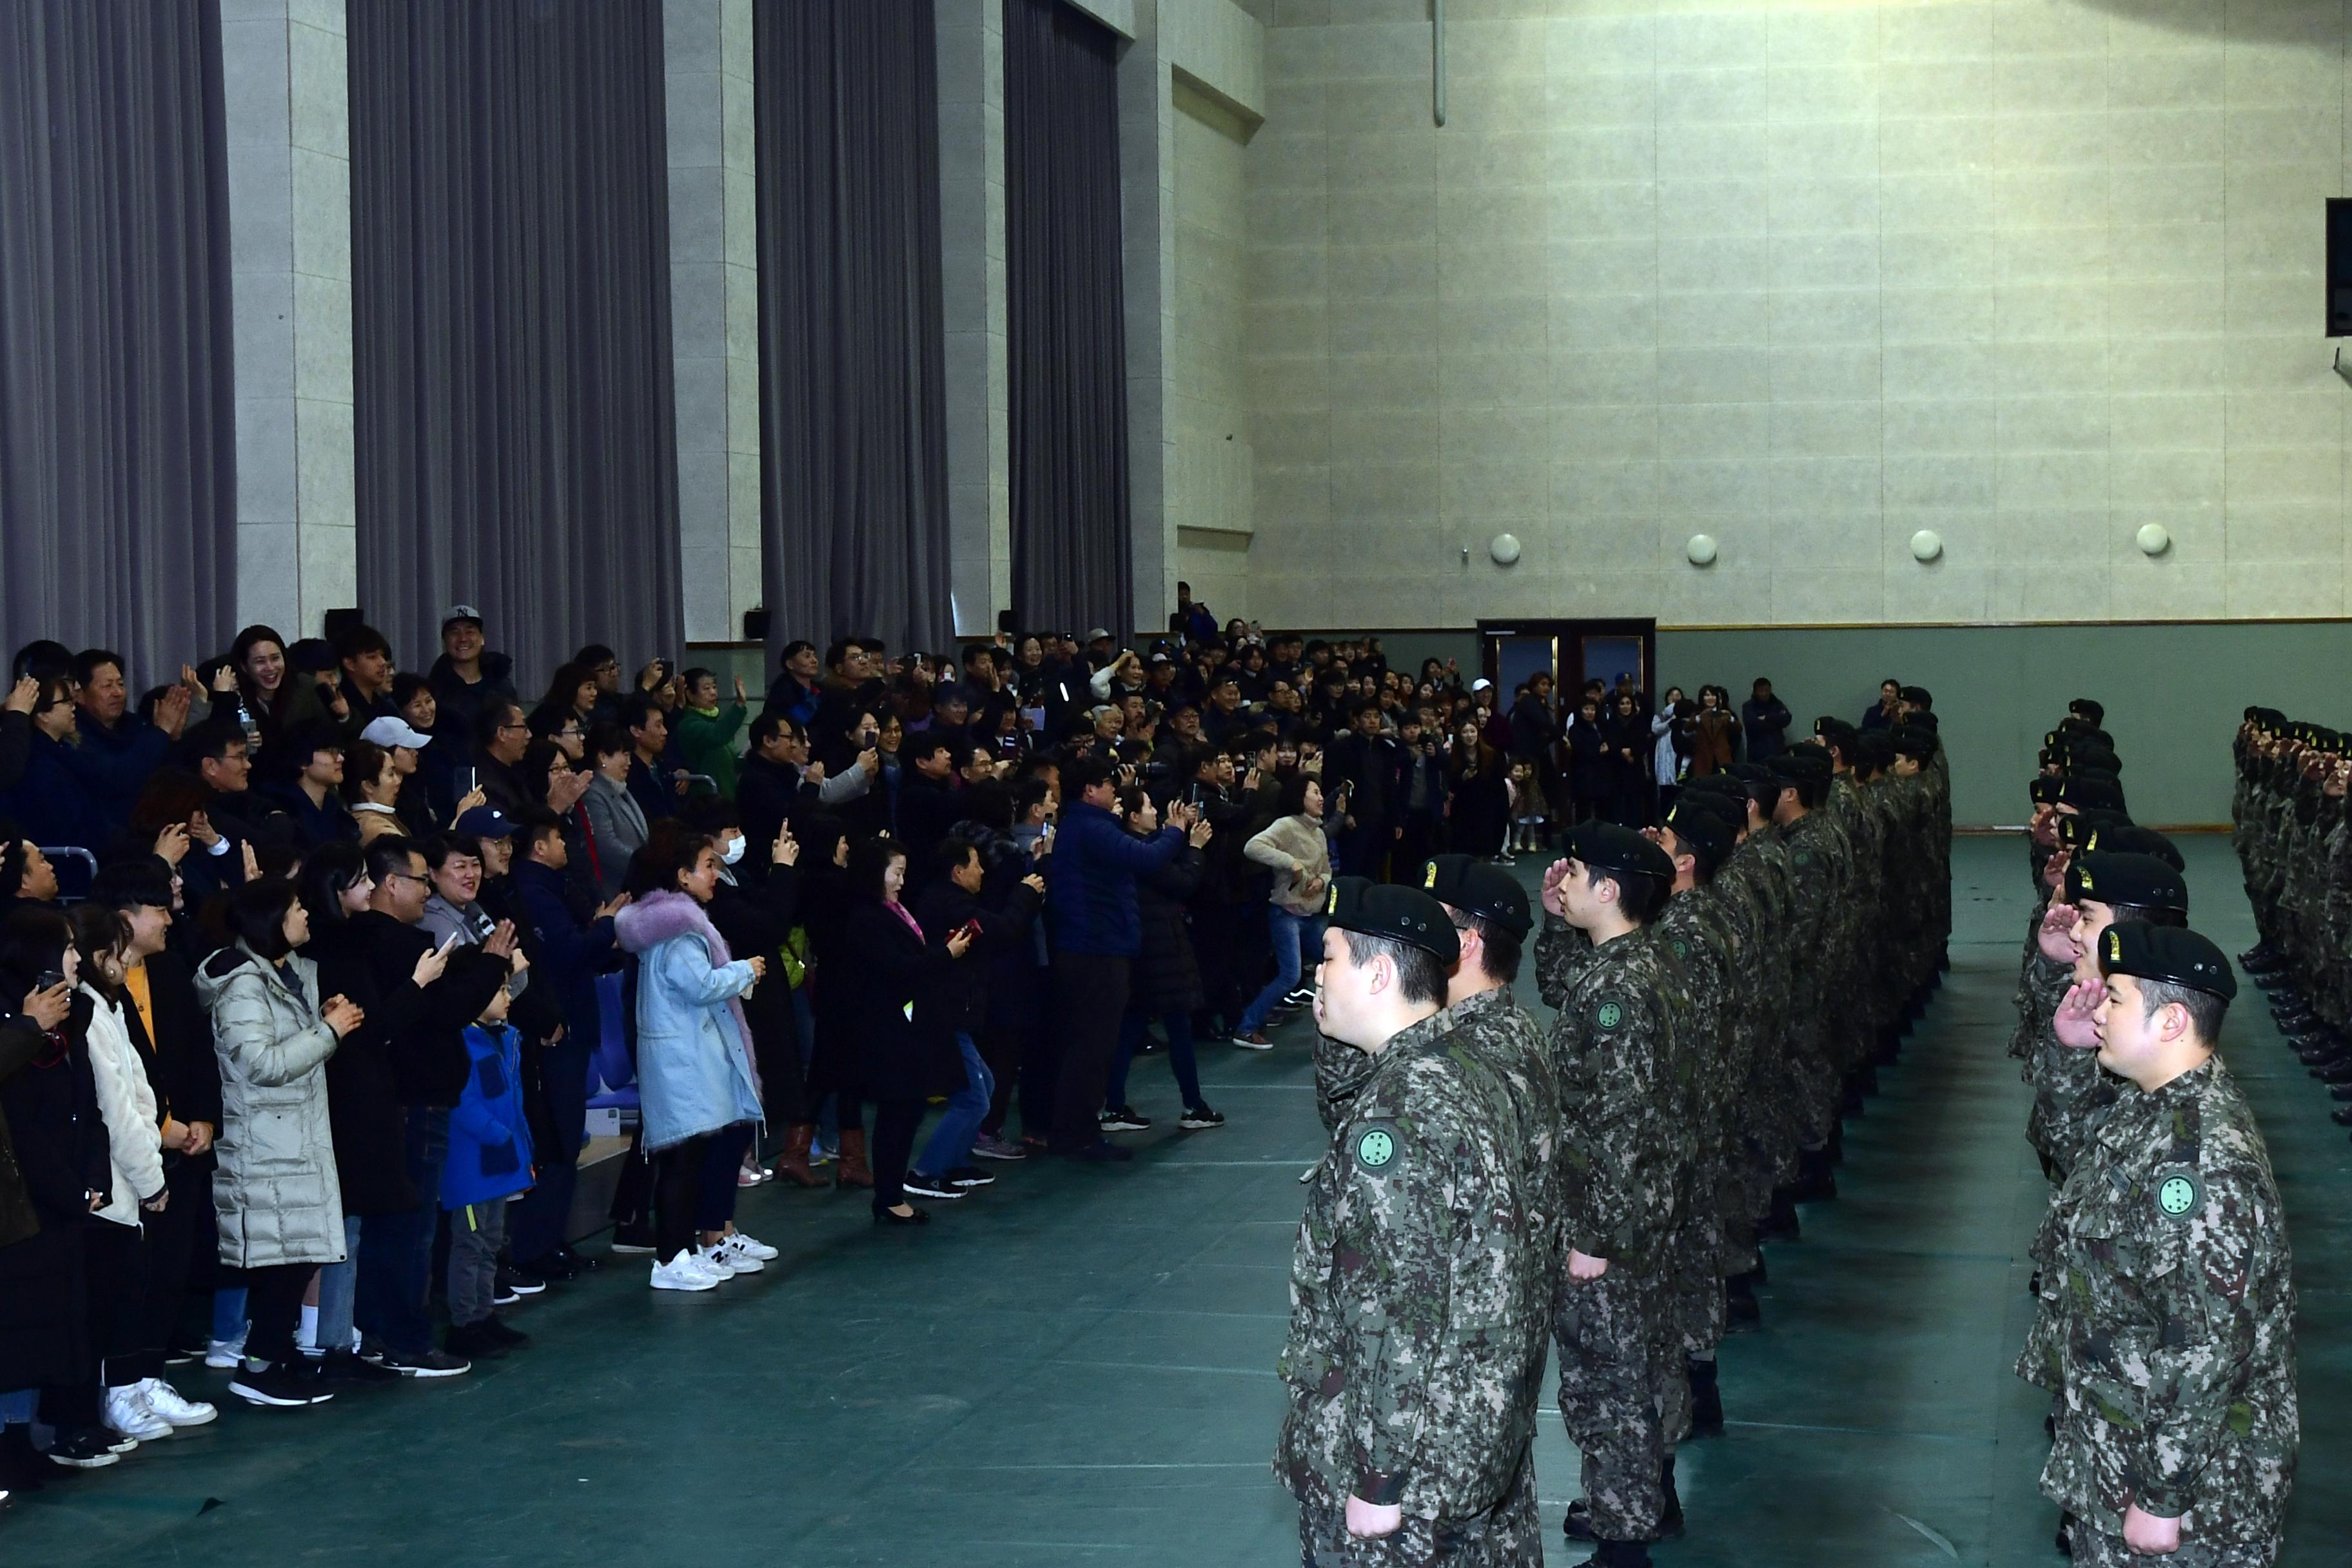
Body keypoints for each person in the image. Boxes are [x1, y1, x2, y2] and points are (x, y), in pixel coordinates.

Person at [1275, 879, 1545, 1565]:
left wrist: (1378, 1476)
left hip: (1414, 1463)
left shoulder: (1396, 1115)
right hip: (1466, 1427)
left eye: (1330, 957)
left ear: (1379, 971)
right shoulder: (1462, 1065)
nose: (1318, 974)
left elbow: (1397, 1312)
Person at [2039, 923, 2297, 1567]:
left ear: (2173, 1020)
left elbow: (2211, 1346)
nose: (2098, 1006)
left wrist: (2162, 1495)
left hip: (2195, 1497)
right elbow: (2075, 1165)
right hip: (2120, 1442)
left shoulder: (2208, 1164)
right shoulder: (2157, 1103)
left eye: (2116, 997)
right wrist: (2075, 1051)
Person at [1535, 823, 1689, 1567]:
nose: (1565, 880)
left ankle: (1624, 1538)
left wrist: (1592, 1234)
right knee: (1648, 1354)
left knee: (1610, 1375)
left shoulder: (1619, 990)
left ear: (1611, 888)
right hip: (1651, 1203)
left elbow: (1619, 1121)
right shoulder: (1637, 963)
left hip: (1615, 1212)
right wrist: (1554, 919)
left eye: (1578, 874)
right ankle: (1648, 1495)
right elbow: (1565, 987)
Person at [195, 878, 365, 1409]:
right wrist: (329, 1031)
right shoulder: (244, 986)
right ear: (271, 918)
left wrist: (322, 1025)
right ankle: (258, 1365)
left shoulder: (288, 976)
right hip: (263, 1144)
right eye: (297, 906)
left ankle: (273, 1355)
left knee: (298, 1256)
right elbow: (261, 1064)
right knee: (284, 1261)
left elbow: (296, 1059)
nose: (307, 913)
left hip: (295, 1137)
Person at [614, 832, 768, 1289]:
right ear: (682, 877)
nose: (715, 873)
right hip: (680, 1058)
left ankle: (687, 1249)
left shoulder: (671, 925)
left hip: (686, 1055)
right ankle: (671, 1257)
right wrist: (744, 970)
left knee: (689, 1158)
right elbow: (698, 985)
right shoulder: (679, 929)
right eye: (707, 865)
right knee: (681, 1161)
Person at [1041, 756, 1188, 1160]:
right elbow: (1144, 859)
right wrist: (1176, 833)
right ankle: (1077, 1135)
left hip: (1094, 946)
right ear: (1090, 790)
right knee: (1093, 1046)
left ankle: (1075, 1130)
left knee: (1090, 1045)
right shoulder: (1090, 828)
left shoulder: (1087, 827)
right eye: (1107, 783)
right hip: (1096, 949)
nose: (1114, 791)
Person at [839, 837, 974, 1219]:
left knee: (906, 1112)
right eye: (896, 872)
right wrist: (945, 954)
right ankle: (889, 1197)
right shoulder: (867, 918)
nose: (901, 881)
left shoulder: (891, 911)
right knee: (897, 1114)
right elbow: (896, 968)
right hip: (887, 1032)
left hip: (904, 1027)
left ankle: (892, 1193)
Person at [909, 836, 1044, 1196]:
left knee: (983, 1085)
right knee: (975, 1097)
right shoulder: (951, 905)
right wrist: (1026, 893)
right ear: (958, 871)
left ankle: (953, 1163)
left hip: (954, 1011)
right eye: (975, 864)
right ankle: (925, 1172)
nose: (982, 871)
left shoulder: (945, 899)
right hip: (946, 1013)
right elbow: (1003, 930)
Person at [1098, 789, 1221, 1136]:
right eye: (1149, 807)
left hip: (1149, 949)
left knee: (1136, 1026)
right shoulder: (1139, 856)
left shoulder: (1137, 847)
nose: (1155, 813)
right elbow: (1181, 881)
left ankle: (1114, 1103)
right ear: (1134, 818)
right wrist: (1194, 848)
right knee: (1172, 1026)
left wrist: (1178, 832)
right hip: (1159, 950)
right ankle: (1191, 1104)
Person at [439, 983, 533, 1362]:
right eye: (500, 990)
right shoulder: (461, 1043)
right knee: (470, 1246)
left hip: (499, 1160)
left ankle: (484, 1314)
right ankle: (464, 1325)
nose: (509, 997)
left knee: (491, 1242)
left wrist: (521, 1145)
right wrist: (499, 1135)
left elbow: (514, 1099)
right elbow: (462, 1102)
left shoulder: (503, 1039)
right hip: (473, 1164)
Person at [1235, 774, 1331, 1047]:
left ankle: (1339, 1023)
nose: (1321, 797)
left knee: (1332, 964)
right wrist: (1291, 863)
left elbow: (1326, 870)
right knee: (1291, 975)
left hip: (1311, 915)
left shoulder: (1319, 831)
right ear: (1300, 796)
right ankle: (1246, 1027)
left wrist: (1320, 881)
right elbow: (1253, 847)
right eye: (1315, 791)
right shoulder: (1286, 826)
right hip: (1286, 913)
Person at [582, 723, 650, 900]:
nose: (629, 762)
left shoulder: (621, 790)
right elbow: (605, 844)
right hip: (615, 887)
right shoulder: (593, 794)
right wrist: (645, 865)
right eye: (624, 755)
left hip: (634, 883)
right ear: (603, 756)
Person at [676, 669, 749, 798]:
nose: (713, 693)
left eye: (714, 687)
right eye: (706, 689)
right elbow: (716, 736)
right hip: (706, 801)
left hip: (727, 798)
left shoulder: (716, 724)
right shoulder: (689, 725)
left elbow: (733, 763)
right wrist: (739, 705)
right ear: (690, 695)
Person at [1741, 678, 1792, 763]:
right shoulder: (1749, 706)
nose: (1764, 694)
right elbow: (1752, 725)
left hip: (1778, 751)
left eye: (1767, 690)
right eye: (1761, 691)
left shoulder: (1777, 703)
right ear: (1755, 692)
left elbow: (1787, 718)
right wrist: (1776, 723)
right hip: (1758, 754)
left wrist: (1767, 718)